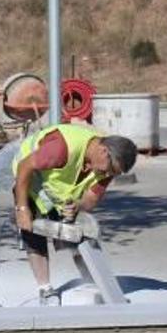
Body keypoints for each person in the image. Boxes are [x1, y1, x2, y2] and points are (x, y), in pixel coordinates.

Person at [11, 124, 137, 305]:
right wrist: (22, 209)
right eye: (109, 170)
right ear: (103, 151)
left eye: (113, 174)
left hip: (58, 189)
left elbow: (92, 198)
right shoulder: (61, 148)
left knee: (80, 231)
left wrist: (78, 205)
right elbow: (25, 167)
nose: (108, 175)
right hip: (31, 180)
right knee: (32, 230)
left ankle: (92, 282)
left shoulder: (107, 164)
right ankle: (45, 289)